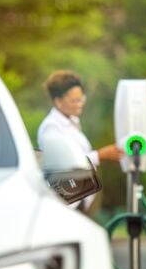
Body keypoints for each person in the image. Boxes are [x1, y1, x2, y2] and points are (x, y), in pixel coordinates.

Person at [38, 70, 123, 211]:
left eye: (81, 98)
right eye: (74, 100)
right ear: (58, 102)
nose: (80, 104)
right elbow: (64, 166)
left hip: (83, 196)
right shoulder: (51, 127)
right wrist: (100, 155)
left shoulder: (72, 121)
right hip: (70, 202)